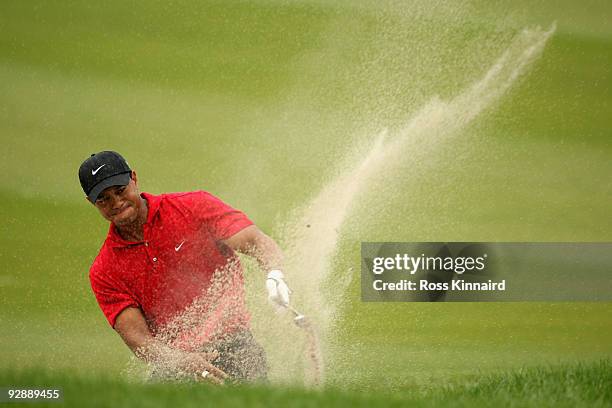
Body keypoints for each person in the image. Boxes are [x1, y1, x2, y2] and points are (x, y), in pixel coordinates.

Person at [78, 151, 292, 384]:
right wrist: (179, 361)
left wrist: (275, 274)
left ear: (134, 178)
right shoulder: (104, 270)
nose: (116, 203)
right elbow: (138, 339)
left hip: (234, 344)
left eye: (120, 191)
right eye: (104, 199)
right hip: (176, 363)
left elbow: (255, 241)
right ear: (91, 202)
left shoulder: (192, 206)